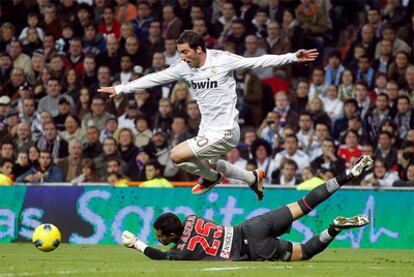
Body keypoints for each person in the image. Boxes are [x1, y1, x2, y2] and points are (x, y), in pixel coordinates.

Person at [98, 30, 318, 200]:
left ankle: (212, 179)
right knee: (211, 164)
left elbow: (256, 61)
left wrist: (293, 57)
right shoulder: (184, 67)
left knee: (177, 156)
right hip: (207, 128)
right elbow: (155, 78)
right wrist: (119, 89)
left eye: (185, 51)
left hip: (226, 130)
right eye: (180, 52)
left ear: (199, 49)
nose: (182, 57)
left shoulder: (222, 60)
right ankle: (252, 177)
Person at [121, 155, 373, 261]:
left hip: (253, 248)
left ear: (173, 237)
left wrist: (137, 244)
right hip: (251, 226)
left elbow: (160, 255)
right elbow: (179, 232)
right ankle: (348, 174)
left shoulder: (182, 252)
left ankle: (335, 228)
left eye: (161, 236)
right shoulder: (190, 218)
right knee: (305, 203)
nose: (158, 238)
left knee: (306, 251)